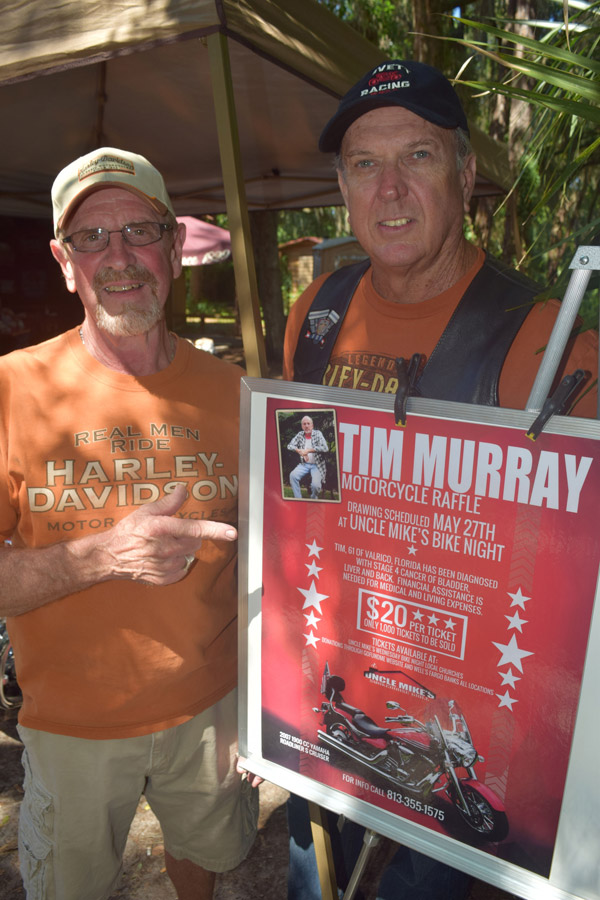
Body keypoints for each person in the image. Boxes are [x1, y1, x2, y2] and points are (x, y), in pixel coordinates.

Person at [282, 60, 598, 900]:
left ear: (464, 174)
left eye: (416, 156)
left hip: (464, 717)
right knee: (314, 876)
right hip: (331, 683)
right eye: (364, 164)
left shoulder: (543, 340)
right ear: (342, 187)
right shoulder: (317, 314)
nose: (389, 189)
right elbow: (299, 497)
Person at [0, 148, 259, 900]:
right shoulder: (13, 389)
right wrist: (104, 555)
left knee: (204, 863)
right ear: (64, 262)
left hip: (212, 710)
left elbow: (275, 557)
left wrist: (263, 700)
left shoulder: (238, 393)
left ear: (173, 249)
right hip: (71, 728)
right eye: (90, 237)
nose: (118, 257)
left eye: (140, 231)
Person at [287, 415, 329, 499]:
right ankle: (298, 499)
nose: (306, 426)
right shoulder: (300, 434)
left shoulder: (318, 434)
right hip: (304, 464)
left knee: (316, 486)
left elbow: (325, 448)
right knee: (293, 476)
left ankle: (313, 499)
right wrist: (300, 451)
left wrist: (308, 451)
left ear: (312, 425)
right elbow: (290, 446)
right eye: (304, 424)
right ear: (302, 426)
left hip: (317, 465)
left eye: (308, 423)